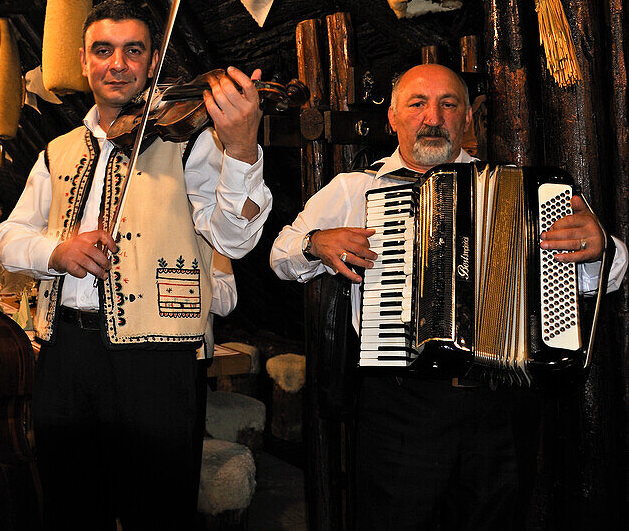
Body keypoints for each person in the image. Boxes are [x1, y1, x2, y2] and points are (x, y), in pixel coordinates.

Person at [269, 63, 628, 529]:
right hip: (400, 405)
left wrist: (602, 247)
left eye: (448, 103)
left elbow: (608, 278)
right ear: (394, 118)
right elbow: (280, 255)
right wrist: (316, 241)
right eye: (417, 103)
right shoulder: (355, 188)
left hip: (500, 406)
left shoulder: (523, 195)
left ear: (467, 120)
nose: (432, 116)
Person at [0, 0, 271, 529]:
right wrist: (56, 251)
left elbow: (233, 240)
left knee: (158, 510)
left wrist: (241, 151)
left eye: (132, 51)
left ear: (151, 62)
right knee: (71, 507)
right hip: (67, 352)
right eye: (103, 50)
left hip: (159, 358)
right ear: (83, 60)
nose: (116, 63)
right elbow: (8, 239)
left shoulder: (192, 140)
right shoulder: (56, 150)